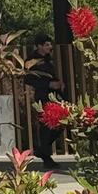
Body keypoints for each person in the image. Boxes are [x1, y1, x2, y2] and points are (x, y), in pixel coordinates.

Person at [24, 35, 63, 170]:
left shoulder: (48, 59)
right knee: (46, 126)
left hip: (55, 96)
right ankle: (46, 157)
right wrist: (48, 84)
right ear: (39, 46)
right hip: (42, 96)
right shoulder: (31, 61)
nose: (50, 47)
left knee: (61, 123)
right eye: (46, 45)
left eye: (50, 44)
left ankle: (42, 149)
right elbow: (28, 79)